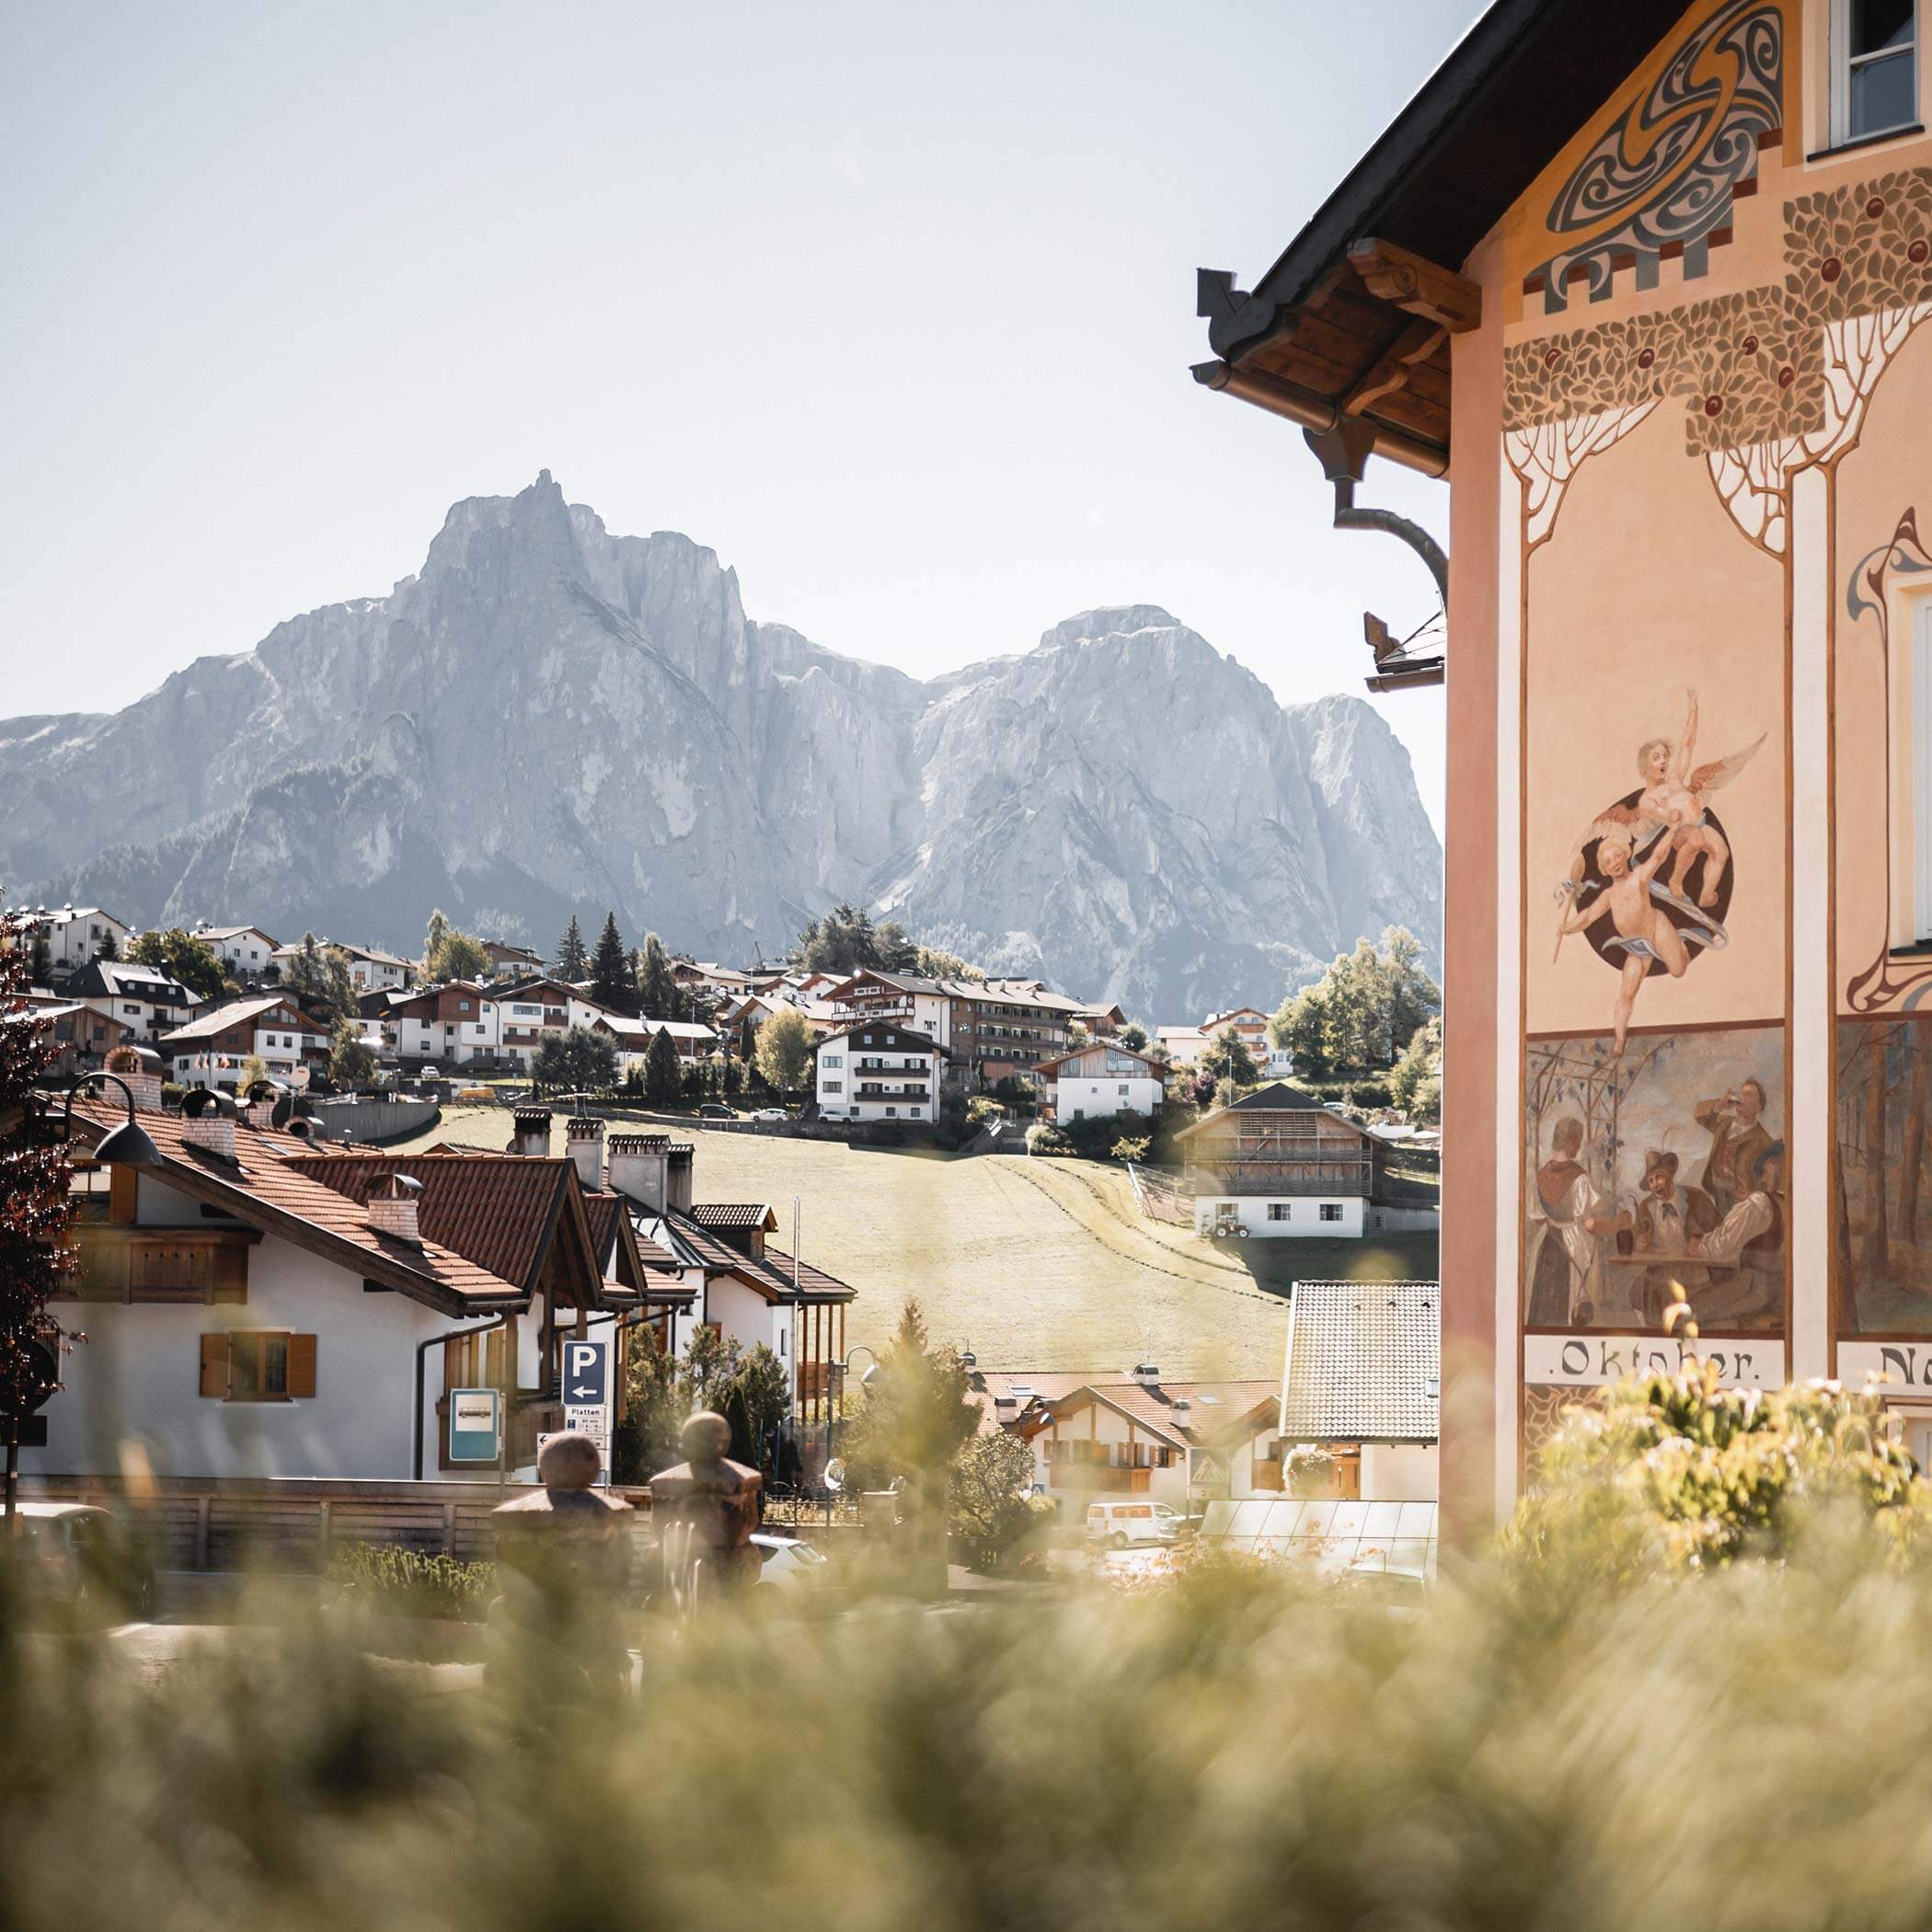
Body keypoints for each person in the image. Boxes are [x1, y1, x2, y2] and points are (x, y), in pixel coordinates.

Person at [1555, 829, 1686, 1054]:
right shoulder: (1608, 895)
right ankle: (1619, 1039)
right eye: (1608, 861)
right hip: (1637, 947)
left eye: (1617, 856)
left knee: (1678, 970)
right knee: (1627, 992)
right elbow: (1588, 915)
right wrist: (1569, 928)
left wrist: (1673, 829)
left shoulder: (1638, 878)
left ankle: (1681, 947)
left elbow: (1658, 856)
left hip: (1656, 927)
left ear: (1625, 855)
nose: (1614, 862)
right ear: (1604, 869)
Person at [1527, 1116, 1620, 1327]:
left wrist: (1555, 1219)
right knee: (1571, 1306)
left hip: (1546, 1245)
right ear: (1570, 1143)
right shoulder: (1579, 1177)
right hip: (1572, 1248)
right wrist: (1617, 1225)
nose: (1578, 1147)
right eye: (1578, 1142)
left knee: (1545, 1307)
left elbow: (1538, 1218)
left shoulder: (1539, 1176)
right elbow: (1590, 1225)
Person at [1686, 1140, 1786, 1327]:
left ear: (1775, 1165)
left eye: (1764, 1171)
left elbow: (1724, 1248)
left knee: (1692, 1309)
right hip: (1779, 1289)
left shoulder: (1759, 1203)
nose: (1763, 1179)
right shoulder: (1784, 1202)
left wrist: (1699, 1246)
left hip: (1758, 1289)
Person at [1629, 1148, 1719, 1326]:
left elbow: (1721, 1231)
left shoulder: (1696, 1198)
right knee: (1637, 1297)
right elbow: (1635, 1239)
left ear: (1670, 1175)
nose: (1655, 1184)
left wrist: (1702, 1240)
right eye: (1651, 1180)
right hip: (1658, 1276)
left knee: (1689, 1325)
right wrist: (1640, 1242)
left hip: (1693, 1275)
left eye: (1659, 1177)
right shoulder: (1647, 1207)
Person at [1696, 1078, 1772, 1219]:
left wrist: (1752, 1194)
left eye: (1749, 1095)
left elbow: (1770, 1180)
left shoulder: (1763, 1140)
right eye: (1741, 1094)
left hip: (1741, 1198)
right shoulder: (1724, 1124)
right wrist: (1719, 1106)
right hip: (1717, 1187)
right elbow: (1699, 1115)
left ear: (1759, 1106)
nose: (1742, 1098)